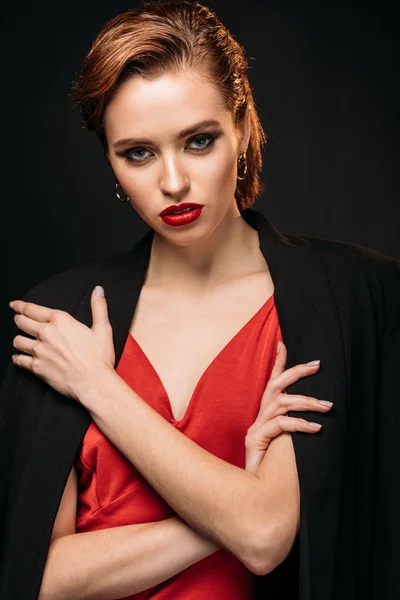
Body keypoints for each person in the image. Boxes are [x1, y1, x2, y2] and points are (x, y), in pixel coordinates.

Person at [1, 1, 399, 599]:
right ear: (110, 160)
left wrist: (99, 388)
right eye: (137, 152)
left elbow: (265, 540)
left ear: (240, 126)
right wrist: (238, 499)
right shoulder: (62, 318)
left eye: (199, 141)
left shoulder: (343, 298)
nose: (172, 182)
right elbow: (43, 578)